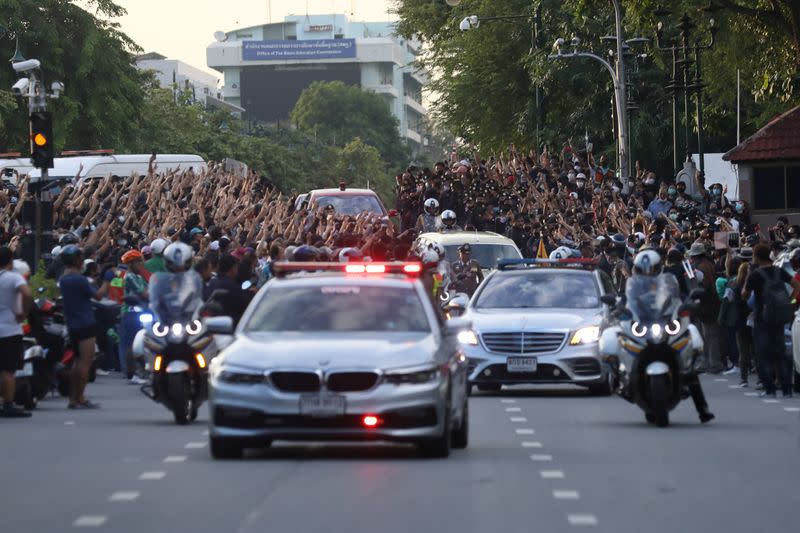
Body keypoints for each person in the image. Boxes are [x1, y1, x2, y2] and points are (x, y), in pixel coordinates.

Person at [630, 249, 714, 423]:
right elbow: (625, 300)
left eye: (651, 269)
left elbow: (680, 298)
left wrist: (686, 305)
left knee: (688, 367)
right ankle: (623, 379)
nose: (647, 273)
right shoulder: (633, 286)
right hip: (644, 328)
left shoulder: (667, 283)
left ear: (658, 268)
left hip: (664, 327)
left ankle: (702, 408)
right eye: (643, 269)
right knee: (622, 345)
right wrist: (621, 308)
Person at [741, 243, 800, 398]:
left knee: (763, 354)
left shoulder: (755, 275)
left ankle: (769, 388)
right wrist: (790, 301)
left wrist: (748, 275)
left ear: (756, 257)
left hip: (761, 317)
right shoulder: (778, 271)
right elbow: (796, 285)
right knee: (780, 353)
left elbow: (744, 295)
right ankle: (786, 388)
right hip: (779, 317)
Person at [58, 245, 110, 409]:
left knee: (77, 361)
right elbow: (99, 295)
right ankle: (80, 397)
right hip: (85, 323)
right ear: (77, 260)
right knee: (85, 362)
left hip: (72, 324)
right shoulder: (79, 279)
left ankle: (73, 399)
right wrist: (107, 280)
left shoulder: (64, 278)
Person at [0, 246, 33, 418]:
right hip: (10, 329)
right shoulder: (14, 277)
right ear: (11, 261)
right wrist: (23, 313)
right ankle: (8, 404)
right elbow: (27, 294)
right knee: (8, 370)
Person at [687, 242, 723, 374]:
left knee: (710, 335)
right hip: (712, 302)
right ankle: (709, 363)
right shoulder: (709, 264)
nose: (692, 260)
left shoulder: (701, 268)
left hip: (707, 303)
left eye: (693, 257)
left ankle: (714, 364)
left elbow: (704, 287)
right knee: (709, 334)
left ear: (696, 257)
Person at [119, 250, 149, 384]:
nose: (141, 264)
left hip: (142, 311)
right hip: (131, 312)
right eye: (138, 261)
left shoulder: (139, 276)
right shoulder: (130, 276)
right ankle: (132, 374)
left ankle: (143, 371)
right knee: (132, 344)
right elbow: (144, 293)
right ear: (131, 263)